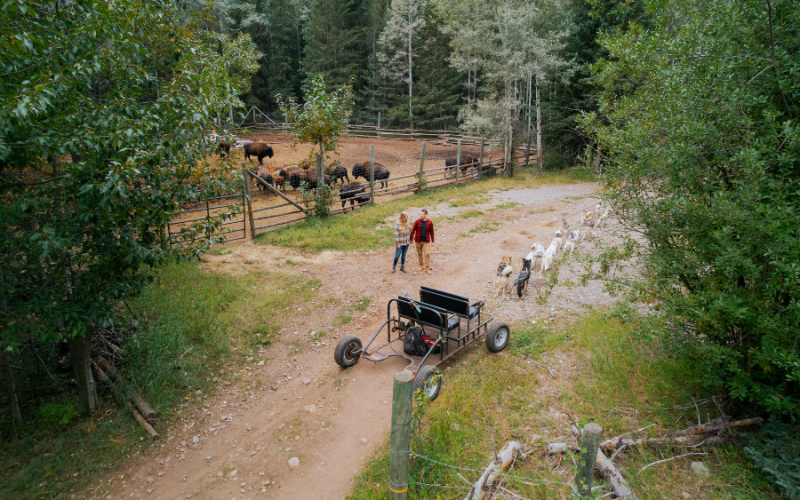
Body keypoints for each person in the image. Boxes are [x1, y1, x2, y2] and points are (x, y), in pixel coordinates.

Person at [410, 209, 435, 274]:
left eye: (422, 214)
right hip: (418, 240)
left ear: (425, 215)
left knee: (427, 254)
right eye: (420, 214)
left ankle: (427, 268)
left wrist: (432, 241)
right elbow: (413, 230)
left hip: (426, 241)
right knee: (419, 253)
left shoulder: (429, 222)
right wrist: (411, 239)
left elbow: (432, 232)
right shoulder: (417, 221)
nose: (420, 215)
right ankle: (421, 265)